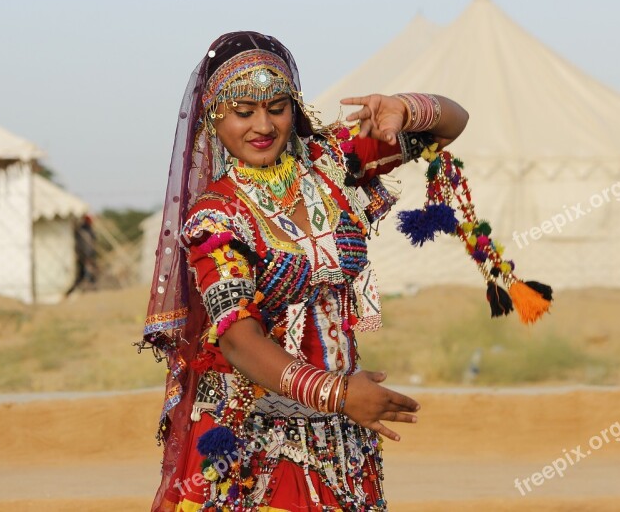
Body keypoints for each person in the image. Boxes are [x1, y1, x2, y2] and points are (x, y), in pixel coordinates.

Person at [136, 31, 469, 511]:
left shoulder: (331, 164)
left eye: (277, 106)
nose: (263, 125)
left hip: (341, 432)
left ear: (294, 107)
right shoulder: (217, 217)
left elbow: (451, 124)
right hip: (256, 437)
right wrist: (335, 392)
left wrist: (406, 108)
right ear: (214, 117)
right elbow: (236, 337)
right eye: (243, 111)